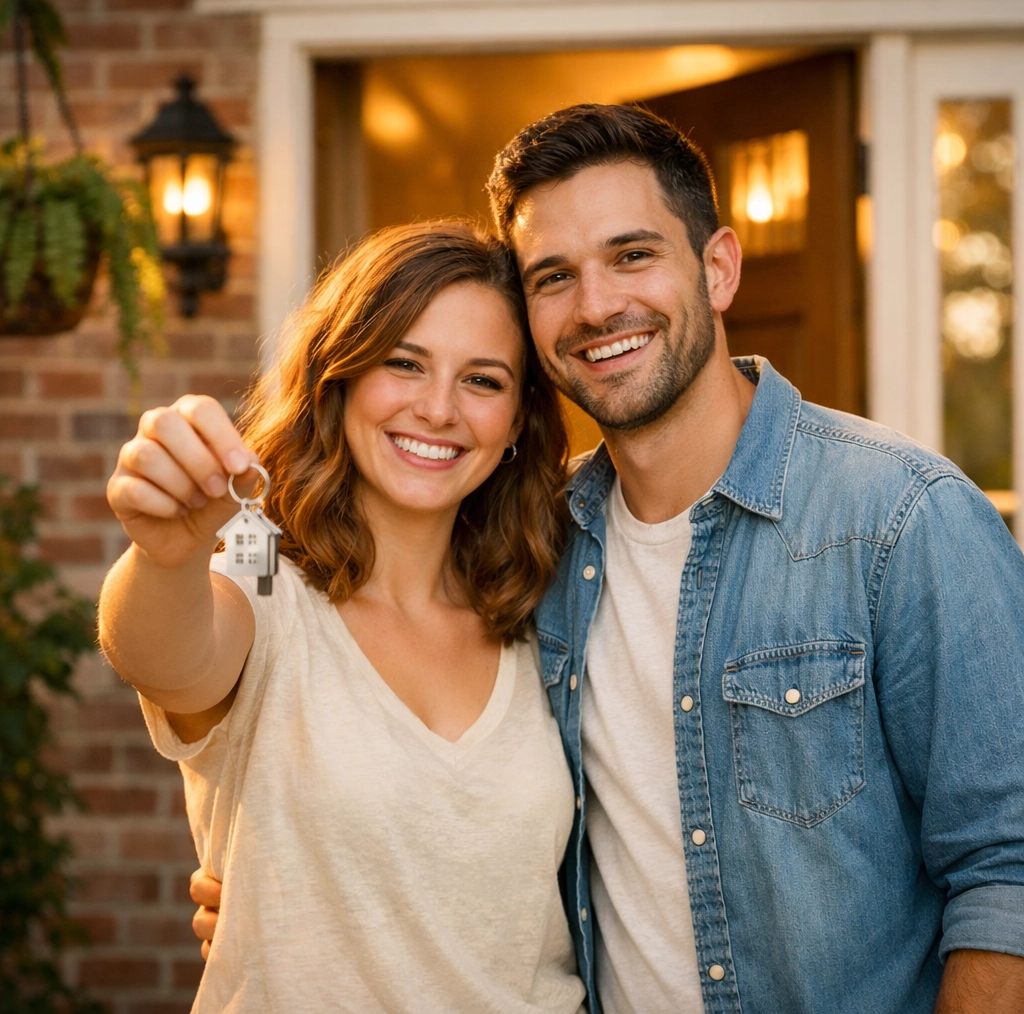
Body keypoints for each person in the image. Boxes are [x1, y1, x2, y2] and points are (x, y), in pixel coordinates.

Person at [191, 105, 1024, 1014]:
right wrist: (288, 889)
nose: (596, 307)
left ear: (718, 268)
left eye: (632, 255)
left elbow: (1007, 869)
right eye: (554, 276)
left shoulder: (900, 518)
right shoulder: (529, 546)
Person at [98, 222, 587, 1013]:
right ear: (341, 375)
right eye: (404, 362)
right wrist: (164, 556)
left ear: (518, 424)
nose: (438, 409)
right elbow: (165, 655)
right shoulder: (263, 579)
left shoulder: (545, 608)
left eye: (483, 380)